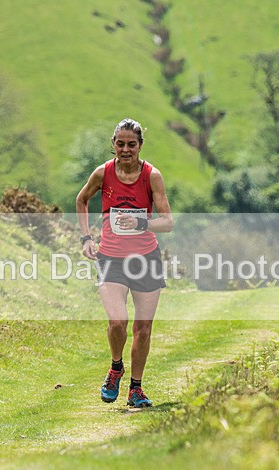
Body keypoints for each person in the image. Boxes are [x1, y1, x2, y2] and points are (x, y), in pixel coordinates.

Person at [76, 118, 174, 408]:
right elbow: (81, 200)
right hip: (111, 258)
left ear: (141, 145)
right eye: (120, 144)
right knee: (117, 321)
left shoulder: (152, 176)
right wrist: (86, 238)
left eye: (132, 144)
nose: (126, 149)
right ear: (113, 144)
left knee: (143, 329)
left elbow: (168, 221)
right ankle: (116, 367)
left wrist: (140, 222)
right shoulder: (103, 173)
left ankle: (136, 389)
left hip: (146, 259)